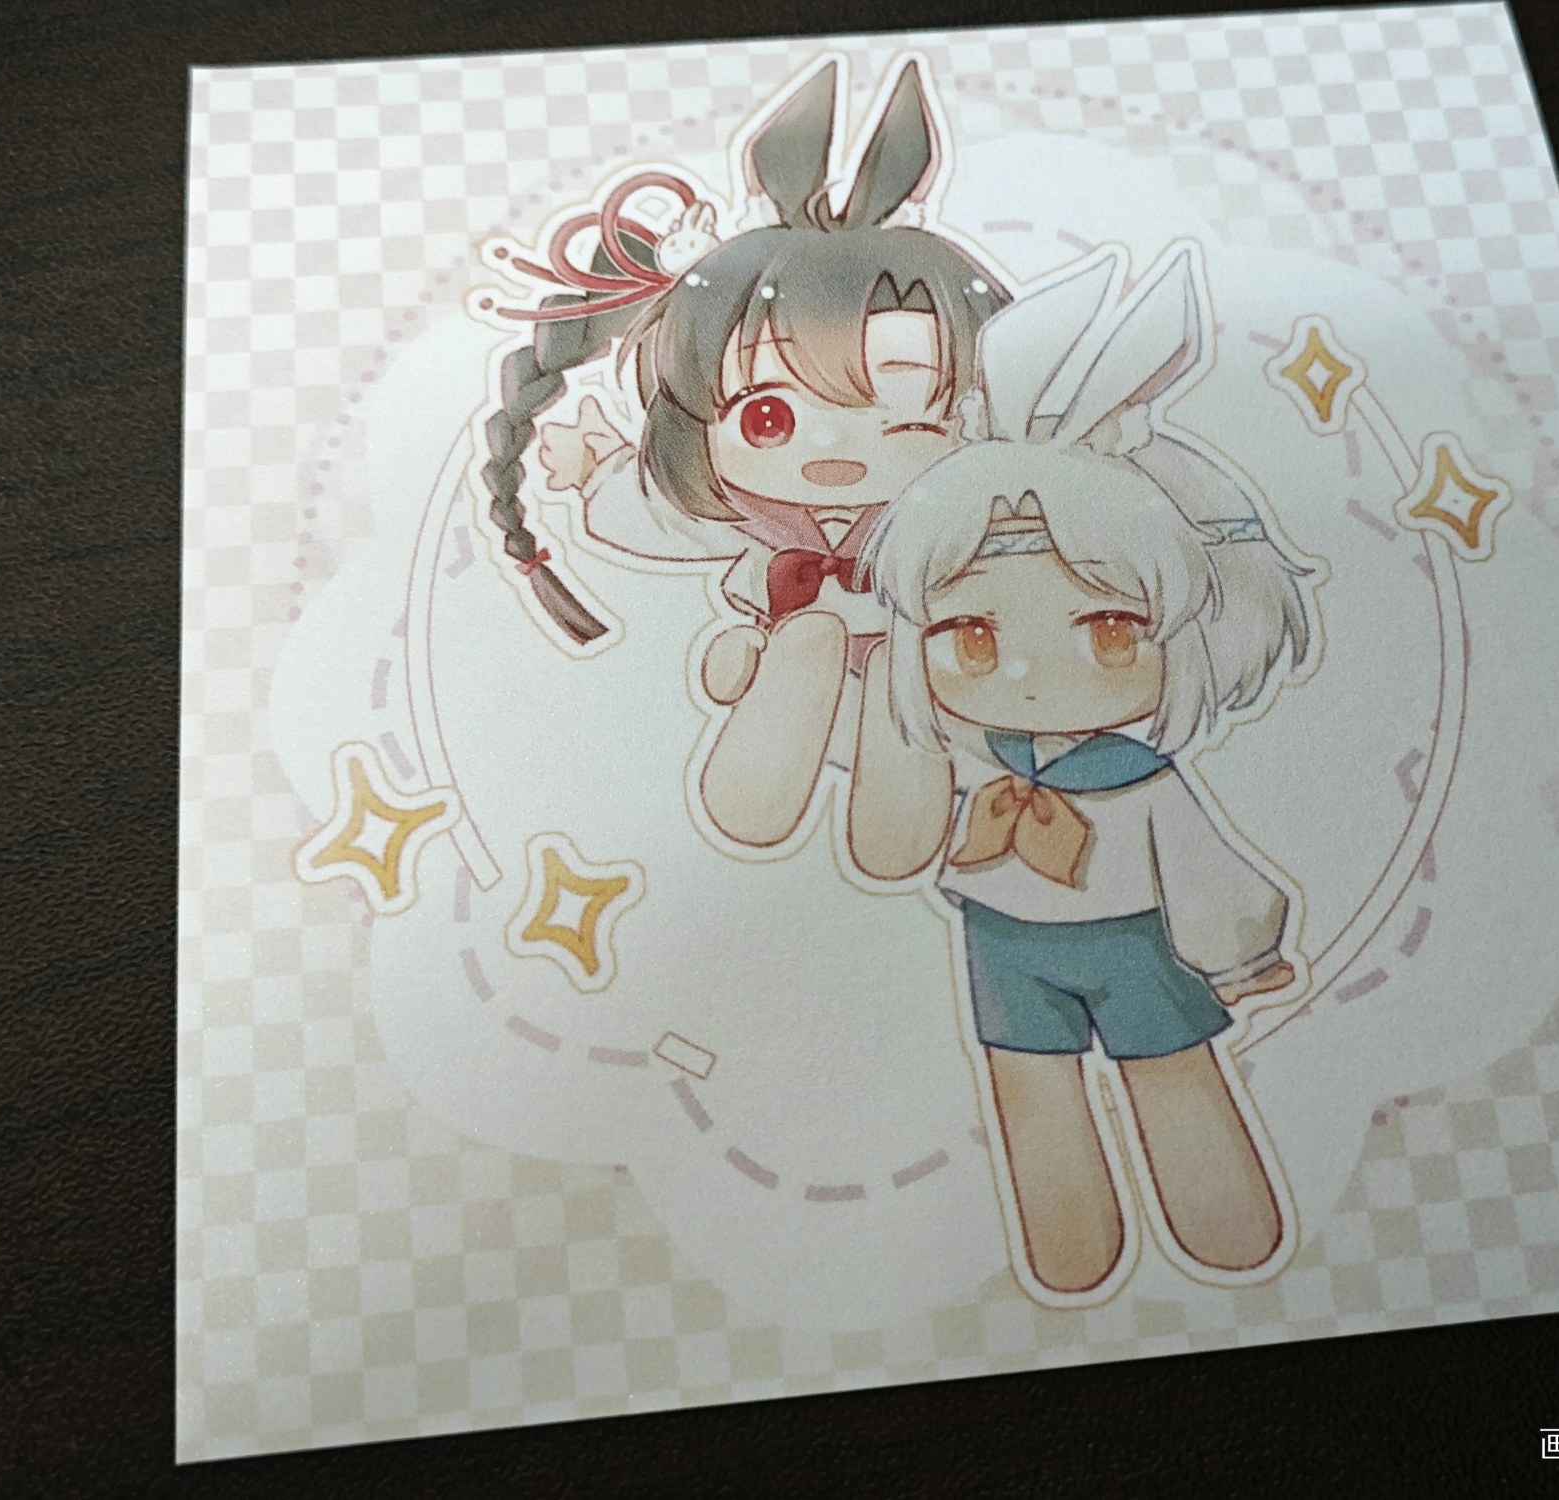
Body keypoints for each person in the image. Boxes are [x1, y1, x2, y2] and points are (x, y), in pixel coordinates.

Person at [850, 245, 1315, 1298]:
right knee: (1031, 1092)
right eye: (971, 635)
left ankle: (1227, 1233)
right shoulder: (980, 757)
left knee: (1171, 1076)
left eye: (1106, 630)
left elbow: (1207, 878)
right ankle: (1068, 1250)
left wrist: (1237, 952)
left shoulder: (1139, 782)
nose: (1022, 674)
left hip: (1132, 944)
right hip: (1002, 943)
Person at [477, 56, 1010, 846]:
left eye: (908, 415)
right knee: (790, 651)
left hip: (909, 656)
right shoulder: (742, 518)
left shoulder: (944, 523)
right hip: (774, 649)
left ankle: (899, 804)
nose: (833, 449)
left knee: (908, 684)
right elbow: (646, 519)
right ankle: (768, 738)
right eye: (768, 417)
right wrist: (594, 477)